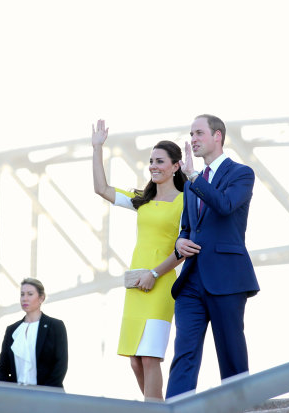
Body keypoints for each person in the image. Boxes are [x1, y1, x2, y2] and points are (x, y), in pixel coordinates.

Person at [165, 114, 260, 399]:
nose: (192, 139)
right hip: (191, 282)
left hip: (227, 279)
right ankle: (175, 408)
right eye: (191, 134)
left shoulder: (241, 174)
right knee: (183, 355)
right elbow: (188, 226)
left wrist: (193, 177)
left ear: (217, 136)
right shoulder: (193, 181)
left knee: (231, 355)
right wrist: (181, 240)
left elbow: (226, 205)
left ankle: (239, 406)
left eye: (198, 133)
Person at [92, 119, 186, 401]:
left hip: (160, 284)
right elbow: (102, 189)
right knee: (134, 359)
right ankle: (157, 406)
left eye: (160, 161)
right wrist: (97, 148)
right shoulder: (141, 199)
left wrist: (154, 274)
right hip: (137, 285)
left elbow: (183, 248)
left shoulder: (186, 201)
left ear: (175, 166)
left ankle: (153, 409)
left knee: (149, 357)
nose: (153, 166)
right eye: (151, 161)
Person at [0, 278, 68, 389]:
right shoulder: (12, 330)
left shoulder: (55, 326)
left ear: (41, 298)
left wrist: (45, 393)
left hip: (47, 397)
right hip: (17, 397)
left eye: (30, 294)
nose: (25, 299)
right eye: (22, 294)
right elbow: (2, 367)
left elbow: (60, 365)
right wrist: (10, 391)